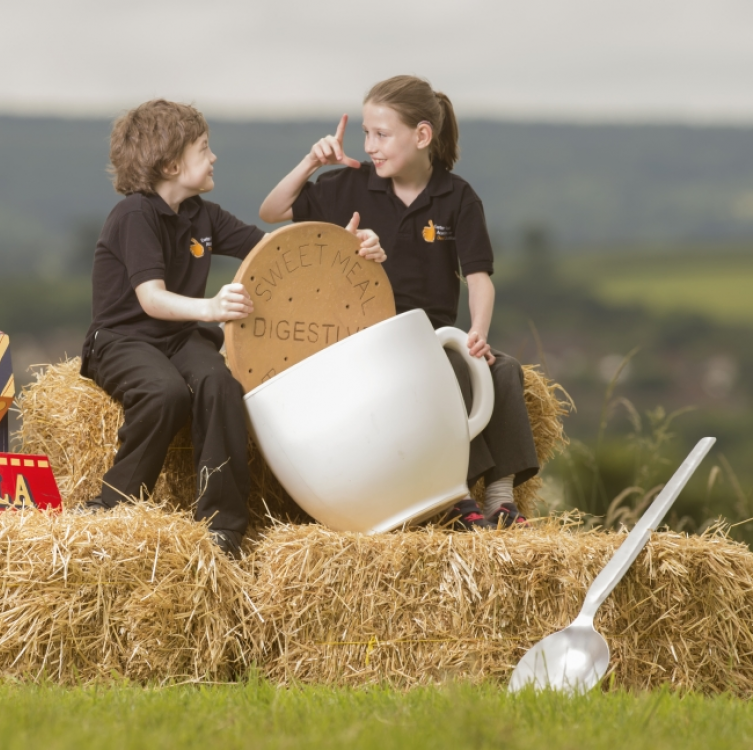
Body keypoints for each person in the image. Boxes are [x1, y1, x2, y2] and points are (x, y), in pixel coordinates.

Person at [82, 99, 384, 557]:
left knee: (221, 383)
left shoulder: (202, 215)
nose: (214, 157)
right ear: (169, 163)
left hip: (179, 339)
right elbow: (151, 299)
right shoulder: (135, 215)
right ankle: (114, 505)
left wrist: (351, 245)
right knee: (166, 394)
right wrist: (213, 308)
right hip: (124, 339)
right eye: (204, 149)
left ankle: (223, 526)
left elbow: (276, 251)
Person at [259, 75, 538, 530]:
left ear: (422, 135)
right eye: (367, 133)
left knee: (500, 369)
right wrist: (312, 161)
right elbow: (272, 211)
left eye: (381, 134)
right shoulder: (347, 185)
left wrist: (478, 333)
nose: (370, 145)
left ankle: (500, 499)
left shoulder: (458, 198)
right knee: (439, 374)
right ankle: (455, 495)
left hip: (433, 332)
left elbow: (480, 280)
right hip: (367, 337)